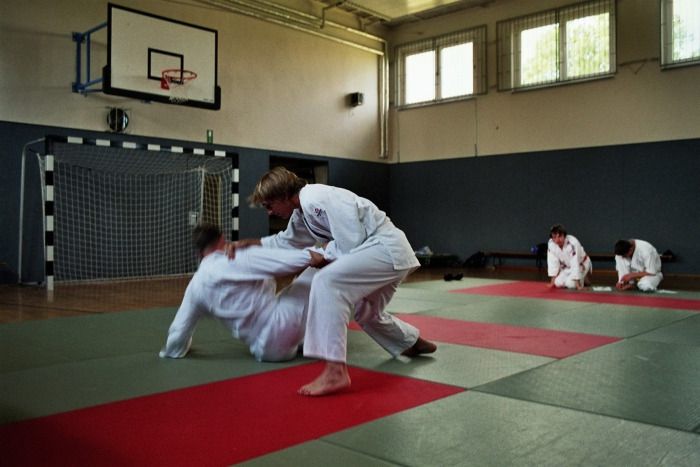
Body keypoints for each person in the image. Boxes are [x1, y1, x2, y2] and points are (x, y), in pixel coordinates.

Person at [229, 167, 437, 396]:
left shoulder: (316, 197)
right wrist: (251, 244)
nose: (269, 212)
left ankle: (335, 371)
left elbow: (352, 240)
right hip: (389, 255)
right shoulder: (302, 213)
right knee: (367, 313)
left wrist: (325, 255)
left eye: (269, 205)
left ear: (283, 195)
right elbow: (286, 242)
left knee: (326, 281)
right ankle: (411, 342)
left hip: (385, 248)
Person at [159, 223, 325, 363]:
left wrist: (173, 349)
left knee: (284, 297)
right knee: (318, 270)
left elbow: (179, 329)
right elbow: (295, 260)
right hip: (282, 326)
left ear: (199, 253)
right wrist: (325, 250)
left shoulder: (194, 287)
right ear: (223, 239)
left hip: (264, 351)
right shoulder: (235, 257)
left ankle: (307, 339)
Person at [546, 224, 592, 290]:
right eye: (554, 237)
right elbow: (552, 263)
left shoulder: (573, 243)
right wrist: (552, 282)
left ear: (564, 236)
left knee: (570, 285)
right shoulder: (551, 244)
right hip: (567, 267)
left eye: (560, 236)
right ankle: (581, 277)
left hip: (581, 264)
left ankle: (583, 279)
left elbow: (575, 262)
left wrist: (578, 286)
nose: (557, 240)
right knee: (557, 283)